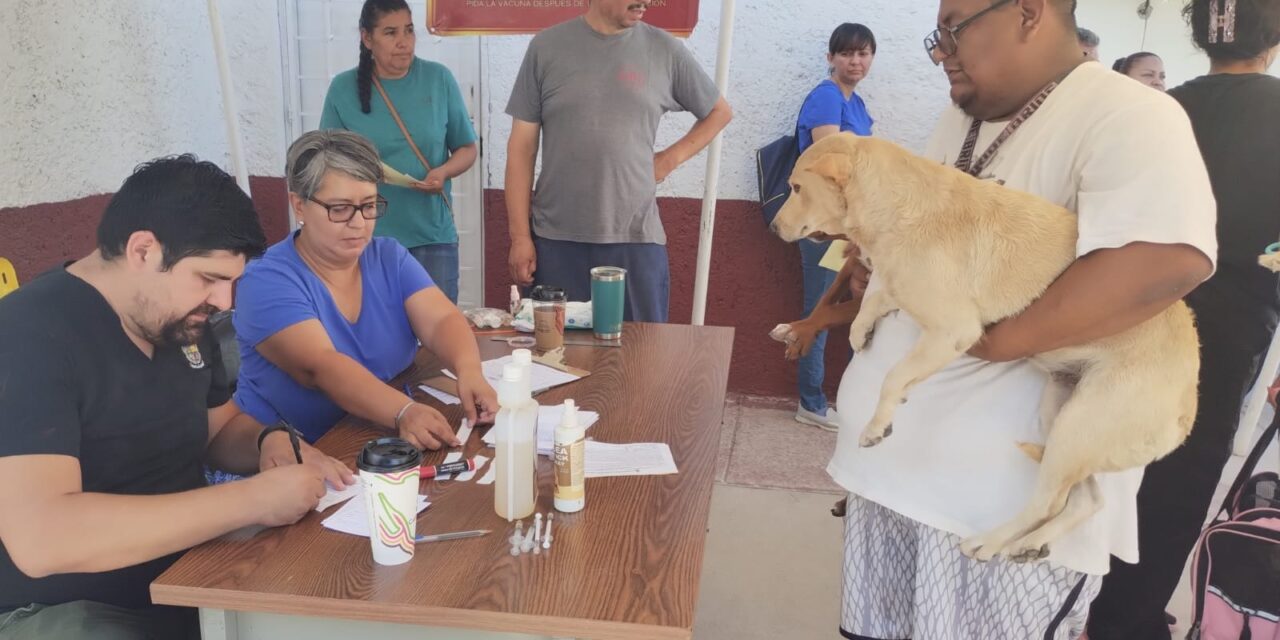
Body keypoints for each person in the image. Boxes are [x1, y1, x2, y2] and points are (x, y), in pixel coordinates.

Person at [831, 1, 1215, 638]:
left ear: (1030, 14)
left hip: (992, 516)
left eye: (953, 31)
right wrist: (889, 272)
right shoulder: (961, 117)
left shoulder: (1132, 115)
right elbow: (931, 244)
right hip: (894, 488)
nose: (939, 52)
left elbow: (1165, 262)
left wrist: (990, 340)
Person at [0, 156, 348, 640]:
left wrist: (268, 441)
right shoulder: (28, 334)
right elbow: (43, 537)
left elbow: (220, 428)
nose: (224, 302)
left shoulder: (181, 321)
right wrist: (251, 500)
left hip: (189, 580)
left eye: (232, 282)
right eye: (208, 278)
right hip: (63, 609)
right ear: (142, 250)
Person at [1087, 1, 1280, 638]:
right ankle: (1127, 618)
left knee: (1111, 460)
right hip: (1229, 333)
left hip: (1137, 311)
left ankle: (1077, 602)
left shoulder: (1159, 109)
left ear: (1199, 35)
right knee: (1184, 476)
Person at [232, 130, 498, 450]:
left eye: (369, 206)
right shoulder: (267, 281)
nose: (359, 223)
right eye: (340, 208)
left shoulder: (388, 257)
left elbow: (441, 320)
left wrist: (468, 371)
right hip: (293, 452)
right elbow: (321, 366)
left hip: (372, 435)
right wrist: (402, 411)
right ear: (299, 206)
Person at [504, 0, 734, 322]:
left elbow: (718, 112)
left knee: (639, 363)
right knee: (555, 364)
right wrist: (520, 237)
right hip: (555, 242)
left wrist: (669, 160)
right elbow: (521, 149)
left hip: (635, 242)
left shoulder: (664, 50)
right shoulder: (546, 48)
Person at [320, 0, 477, 303]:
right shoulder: (342, 88)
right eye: (390, 33)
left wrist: (443, 172)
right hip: (366, 237)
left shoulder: (438, 79)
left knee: (437, 335)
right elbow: (328, 158)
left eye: (409, 30)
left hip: (432, 235)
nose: (403, 42)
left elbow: (467, 149)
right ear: (367, 39)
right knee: (375, 334)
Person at [791, 23, 877, 432]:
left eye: (862, 54)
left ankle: (823, 398)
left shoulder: (855, 103)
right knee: (821, 309)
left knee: (837, 305)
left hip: (847, 225)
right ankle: (810, 401)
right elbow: (834, 163)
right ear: (831, 58)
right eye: (846, 54)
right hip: (822, 225)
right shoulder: (826, 97)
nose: (855, 61)